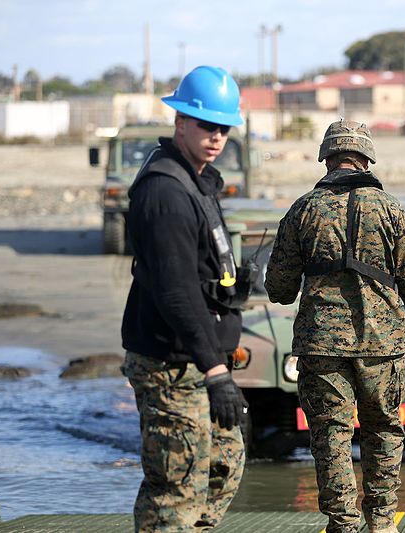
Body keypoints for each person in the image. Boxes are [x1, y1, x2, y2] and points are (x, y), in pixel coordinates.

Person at [265, 119, 405, 533]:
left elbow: (279, 287)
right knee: (384, 428)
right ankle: (382, 521)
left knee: (331, 435)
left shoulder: (302, 209)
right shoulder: (391, 208)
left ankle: (343, 524)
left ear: (326, 158)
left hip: (321, 346)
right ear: (367, 157)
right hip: (383, 344)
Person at [121, 65, 248, 532]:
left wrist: (231, 285)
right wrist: (216, 371)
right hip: (171, 362)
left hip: (200, 356)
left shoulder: (198, 181)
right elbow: (175, 290)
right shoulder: (165, 191)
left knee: (222, 465)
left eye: (223, 127)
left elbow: (197, 271)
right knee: (175, 486)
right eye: (206, 125)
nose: (216, 136)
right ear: (179, 123)